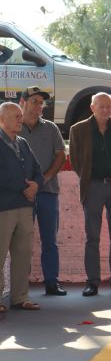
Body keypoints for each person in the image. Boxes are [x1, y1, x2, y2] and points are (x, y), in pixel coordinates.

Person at [69, 92, 111, 297]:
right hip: (93, 186)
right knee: (92, 237)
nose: (105, 110)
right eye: (101, 106)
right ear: (92, 107)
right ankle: (92, 282)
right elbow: (76, 161)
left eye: (108, 106)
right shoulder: (78, 129)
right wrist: (89, 179)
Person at [19, 86, 67, 296]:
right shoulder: (11, 127)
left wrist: (43, 180)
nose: (39, 106)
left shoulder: (51, 128)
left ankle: (51, 282)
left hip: (47, 191)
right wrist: (26, 185)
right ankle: (20, 285)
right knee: (21, 241)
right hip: (19, 194)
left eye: (42, 102)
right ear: (23, 102)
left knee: (50, 240)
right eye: (35, 101)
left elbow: (61, 156)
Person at [0, 102, 44, 311]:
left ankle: (20, 297)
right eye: (15, 116)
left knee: (23, 254)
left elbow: (37, 169)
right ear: (2, 119)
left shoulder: (23, 143)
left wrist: (36, 185)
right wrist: (24, 187)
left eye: (20, 116)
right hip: (4, 208)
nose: (21, 119)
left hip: (25, 206)